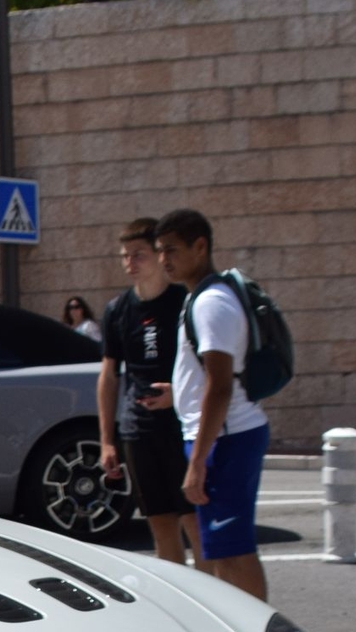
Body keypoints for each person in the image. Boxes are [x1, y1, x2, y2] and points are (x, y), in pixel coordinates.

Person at [145, 207, 270, 600]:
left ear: (200, 247)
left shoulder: (210, 302)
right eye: (160, 250)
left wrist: (198, 461)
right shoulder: (199, 298)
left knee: (233, 550)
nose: (164, 259)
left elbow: (220, 385)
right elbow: (208, 378)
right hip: (219, 437)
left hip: (225, 440)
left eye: (172, 249)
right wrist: (177, 394)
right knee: (219, 549)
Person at [94, 217, 196, 567]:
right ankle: (181, 609)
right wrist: (108, 440)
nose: (130, 264)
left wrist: (177, 394)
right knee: (161, 524)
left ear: (159, 255)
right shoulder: (117, 310)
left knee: (194, 523)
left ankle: (213, 604)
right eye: (125, 256)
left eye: (138, 255)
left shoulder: (185, 303)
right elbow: (109, 376)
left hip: (182, 429)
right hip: (137, 431)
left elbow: (209, 369)